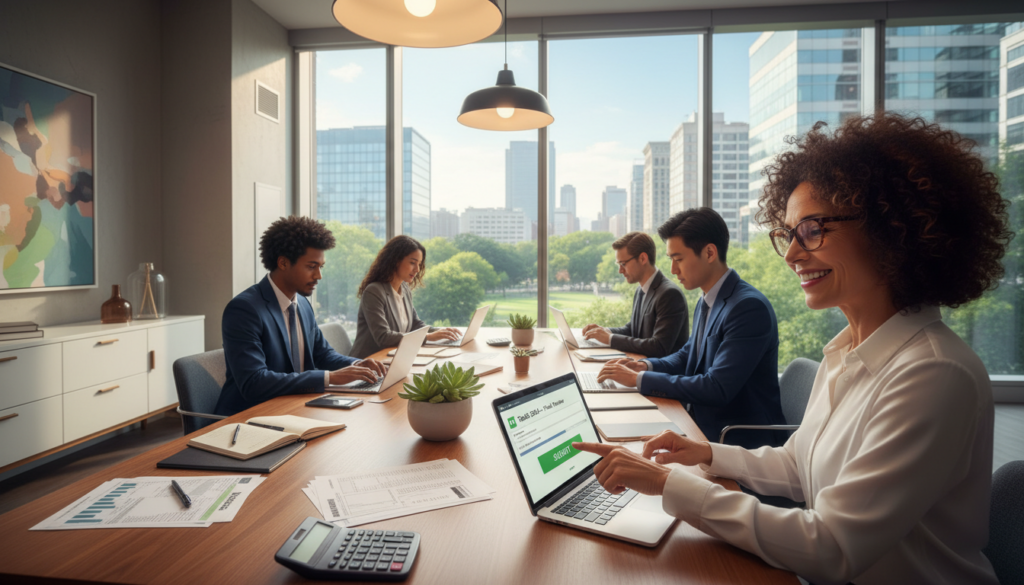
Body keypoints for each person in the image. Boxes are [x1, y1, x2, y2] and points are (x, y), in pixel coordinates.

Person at [574, 114, 1010, 584]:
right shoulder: (846, 352)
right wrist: (702, 454)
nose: (792, 255)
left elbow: (832, 547)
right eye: (789, 234)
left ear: (892, 229)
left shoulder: (933, 374)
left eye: (813, 230)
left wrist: (665, 484)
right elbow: (798, 464)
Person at [597, 208, 786, 449]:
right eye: (671, 260)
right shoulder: (706, 299)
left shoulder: (748, 308)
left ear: (709, 253)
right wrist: (645, 366)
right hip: (700, 425)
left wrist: (639, 379)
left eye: (678, 259)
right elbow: (688, 354)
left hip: (736, 441)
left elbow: (716, 387)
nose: (673, 270)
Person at [215, 216, 386, 416]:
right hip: (249, 417)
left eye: (321, 267)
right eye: (311, 266)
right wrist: (329, 378)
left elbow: (322, 354)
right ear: (283, 263)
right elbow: (254, 383)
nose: (318, 276)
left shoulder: (303, 304)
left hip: (295, 408)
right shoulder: (244, 310)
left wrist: (356, 365)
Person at [350, 235, 461, 359]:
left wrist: (439, 331)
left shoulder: (405, 288)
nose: (417, 269)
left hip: (396, 356)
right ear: (395, 260)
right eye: (413, 263)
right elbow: (383, 337)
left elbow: (415, 323)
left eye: (419, 264)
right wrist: (428, 337)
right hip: (369, 362)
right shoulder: (374, 291)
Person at [580, 231, 688, 357]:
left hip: (660, 373)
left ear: (643, 258)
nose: (620, 271)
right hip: (640, 366)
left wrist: (610, 339)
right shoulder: (640, 290)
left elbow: (658, 347)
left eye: (623, 264)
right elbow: (633, 329)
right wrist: (604, 331)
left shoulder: (670, 294)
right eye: (619, 264)